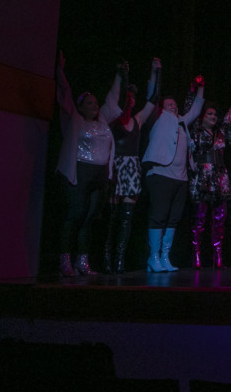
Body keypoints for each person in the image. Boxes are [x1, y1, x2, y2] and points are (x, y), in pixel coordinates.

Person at [54, 53, 122, 276]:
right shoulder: (75, 120)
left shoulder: (103, 122)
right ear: (81, 106)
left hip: (100, 175)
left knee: (91, 217)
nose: (95, 106)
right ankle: (65, 261)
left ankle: (82, 262)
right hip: (80, 171)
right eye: (90, 103)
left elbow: (112, 99)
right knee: (76, 214)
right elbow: (65, 96)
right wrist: (60, 72)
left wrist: (120, 75)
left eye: (96, 102)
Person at [143, 74, 205, 272]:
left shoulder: (182, 122)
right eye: (169, 104)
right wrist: (155, 73)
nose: (174, 106)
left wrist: (201, 87)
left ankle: (164, 256)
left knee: (174, 217)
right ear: (162, 107)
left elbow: (196, 108)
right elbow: (152, 98)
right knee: (159, 215)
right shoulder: (158, 119)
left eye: (175, 104)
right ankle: (153, 257)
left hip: (181, 177)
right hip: (161, 174)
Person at [104, 59, 159, 273]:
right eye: (128, 97)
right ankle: (107, 258)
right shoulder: (112, 120)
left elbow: (153, 99)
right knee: (112, 217)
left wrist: (156, 72)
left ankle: (119, 260)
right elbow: (116, 101)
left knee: (127, 218)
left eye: (133, 98)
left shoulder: (138, 119)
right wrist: (122, 76)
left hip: (132, 169)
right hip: (115, 167)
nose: (130, 101)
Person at [186, 91, 231, 270]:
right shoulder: (196, 130)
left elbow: (230, 116)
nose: (213, 116)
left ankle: (218, 256)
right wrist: (195, 89)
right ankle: (196, 256)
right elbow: (189, 109)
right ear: (202, 116)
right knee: (199, 218)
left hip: (219, 176)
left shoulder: (221, 133)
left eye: (215, 114)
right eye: (209, 113)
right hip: (202, 175)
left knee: (219, 219)